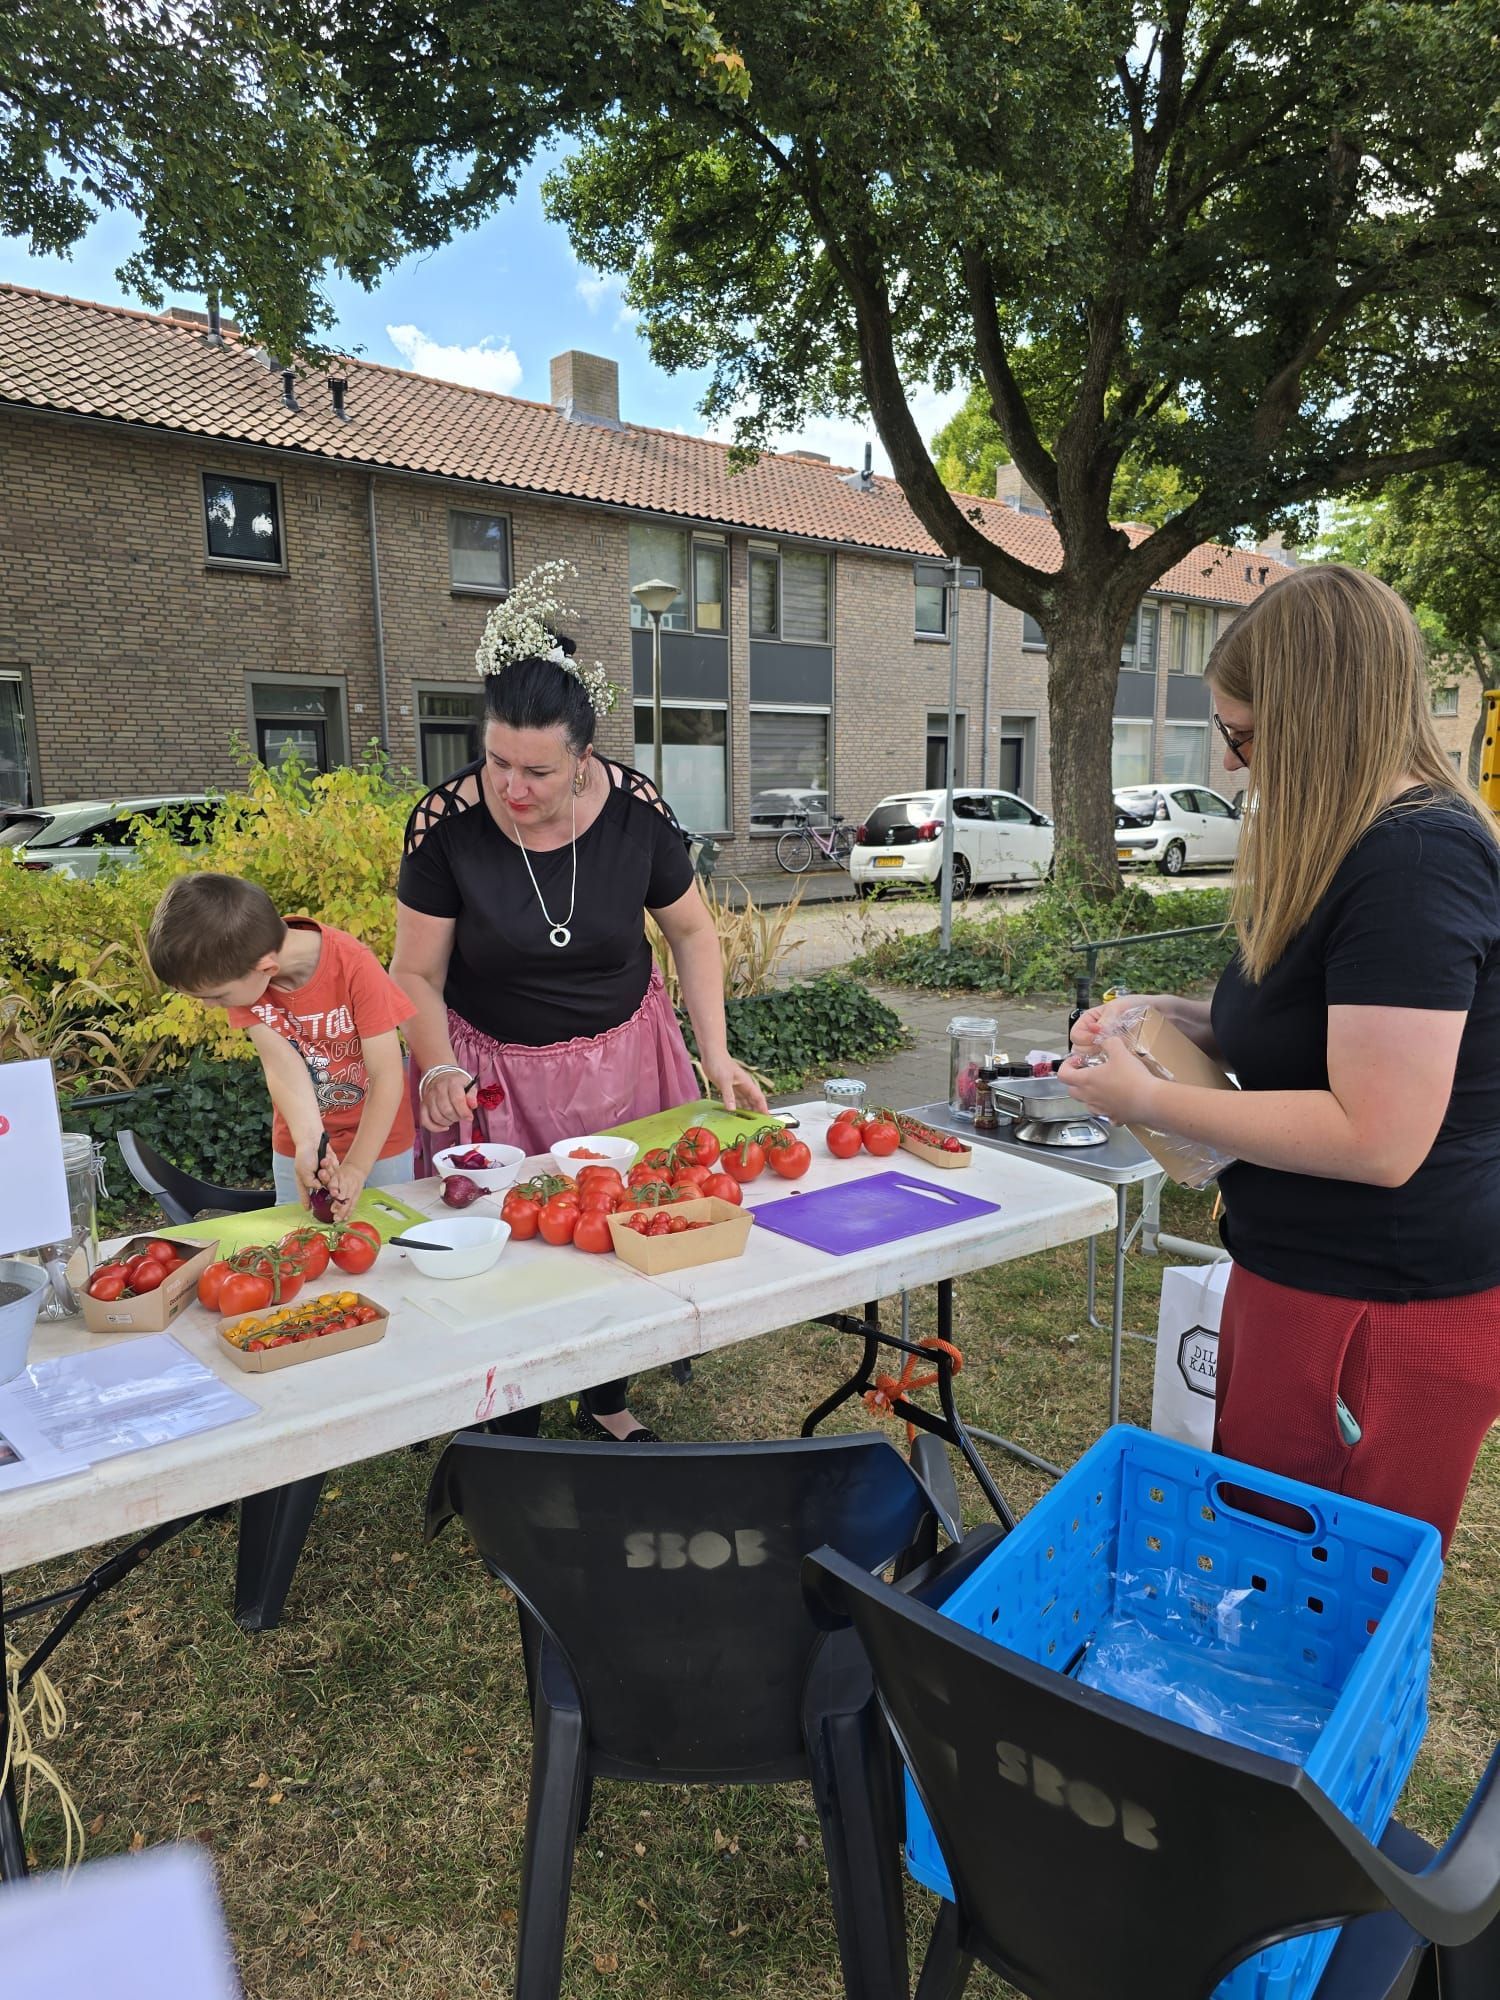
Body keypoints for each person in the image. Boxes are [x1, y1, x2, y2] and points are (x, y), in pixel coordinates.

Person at [1064, 563, 1500, 1550]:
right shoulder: (1353, 848)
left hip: (1378, 1311)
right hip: (1307, 1280)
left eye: (1243, 736)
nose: (1232, 768)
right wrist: (1171, 1018)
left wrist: (1147, 1098)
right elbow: (1318, 1033)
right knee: (1260, 1557)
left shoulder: (1414, 863)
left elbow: (1376, 1135)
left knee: (1320, 1579)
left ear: (1314, 721)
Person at [391, 561, 767, 1443]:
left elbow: (693, 933)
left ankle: (605, 1397)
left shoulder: (636, 812)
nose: (512, 788)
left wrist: (715, 1053)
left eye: (537, 770)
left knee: (622, 1223)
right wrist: (436, 1065)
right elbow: (414, 974)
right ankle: (506, 1414)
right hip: (494, 1073)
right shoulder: (443, 826)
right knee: (513, 1243)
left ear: (583, 758)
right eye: (496, 762)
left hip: (628, 1060)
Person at [147, 873, 416, 1217]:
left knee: (387, 1233)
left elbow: (386, 1075)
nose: (211, 1006)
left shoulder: (354, 966)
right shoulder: (241, 968)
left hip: (380, 1142)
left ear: (267, 968)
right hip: (296, 1141)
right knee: (298, 1233)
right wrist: (309, 1142)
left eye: (216, 996)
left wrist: (357, 1167)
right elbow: (282, 1066)